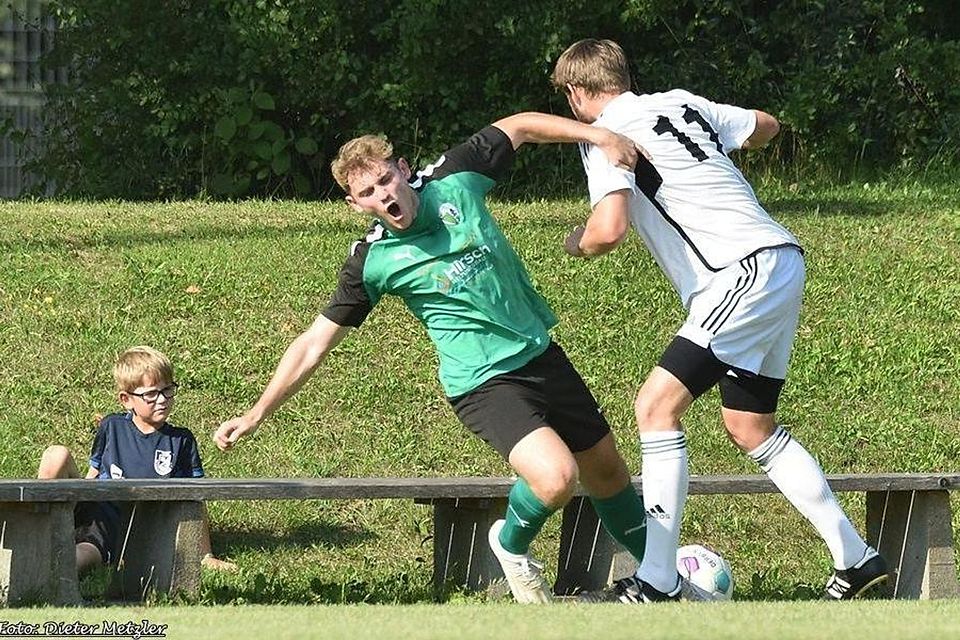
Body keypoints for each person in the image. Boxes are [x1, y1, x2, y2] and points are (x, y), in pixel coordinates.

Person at [214, 113, 650, 603]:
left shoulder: (456, 180)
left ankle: (661, 577)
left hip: (539, 354)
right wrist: (256, 413)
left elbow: (521, 126)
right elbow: (313, 342)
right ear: (355, 204)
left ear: (403, 170)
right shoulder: (373, 261)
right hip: (482, 383)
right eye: (369, 192)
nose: (384, 194)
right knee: (555, 479)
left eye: (386, 179)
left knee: (609, 472)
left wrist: (599, 134)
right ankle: (510, 547)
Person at [547, 38, 888, 602]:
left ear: (578, 93)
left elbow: (608, 230)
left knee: (655, 406)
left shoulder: (604, 136)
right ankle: (855, 557)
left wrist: (573, 244)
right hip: (780, 259)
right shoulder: (680, 102)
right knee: (750, 425)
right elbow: (765, 125)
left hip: (737, 270)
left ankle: (656, 581)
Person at [38, 346, 235, 576]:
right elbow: (93, 473)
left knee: (79, 558)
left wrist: (204, 554)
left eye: (167, 390)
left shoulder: (181, 440)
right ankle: (38, 540)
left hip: (131, 529)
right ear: (126, 399)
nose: (162, 400)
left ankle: (44, 568)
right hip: (99, 513)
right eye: (151, 394)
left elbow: (195, 498)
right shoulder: (111, 426)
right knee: (56, 454)